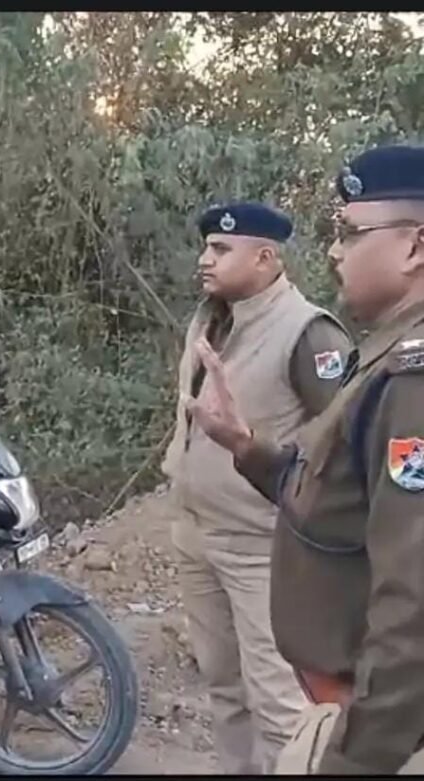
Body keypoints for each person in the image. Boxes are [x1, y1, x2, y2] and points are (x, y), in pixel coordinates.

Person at [186, 145, 424, 774]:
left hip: (374, 732)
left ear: (414, 246)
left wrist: (356, 759)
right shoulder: (387, 352)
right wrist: (246, 445)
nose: (334, 252)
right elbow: (334, 481)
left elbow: (414, 604)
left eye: (350, 232)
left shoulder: (412, 381)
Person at [161, 202, 353, 773]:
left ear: (266, 258)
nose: (205, 259)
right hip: (197, 533)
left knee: (280, 704)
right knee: (225, 689)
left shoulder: (309, 333)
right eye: (206, 247)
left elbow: (345, 444)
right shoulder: (210, 319)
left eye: (221, 249)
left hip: (263, 547)